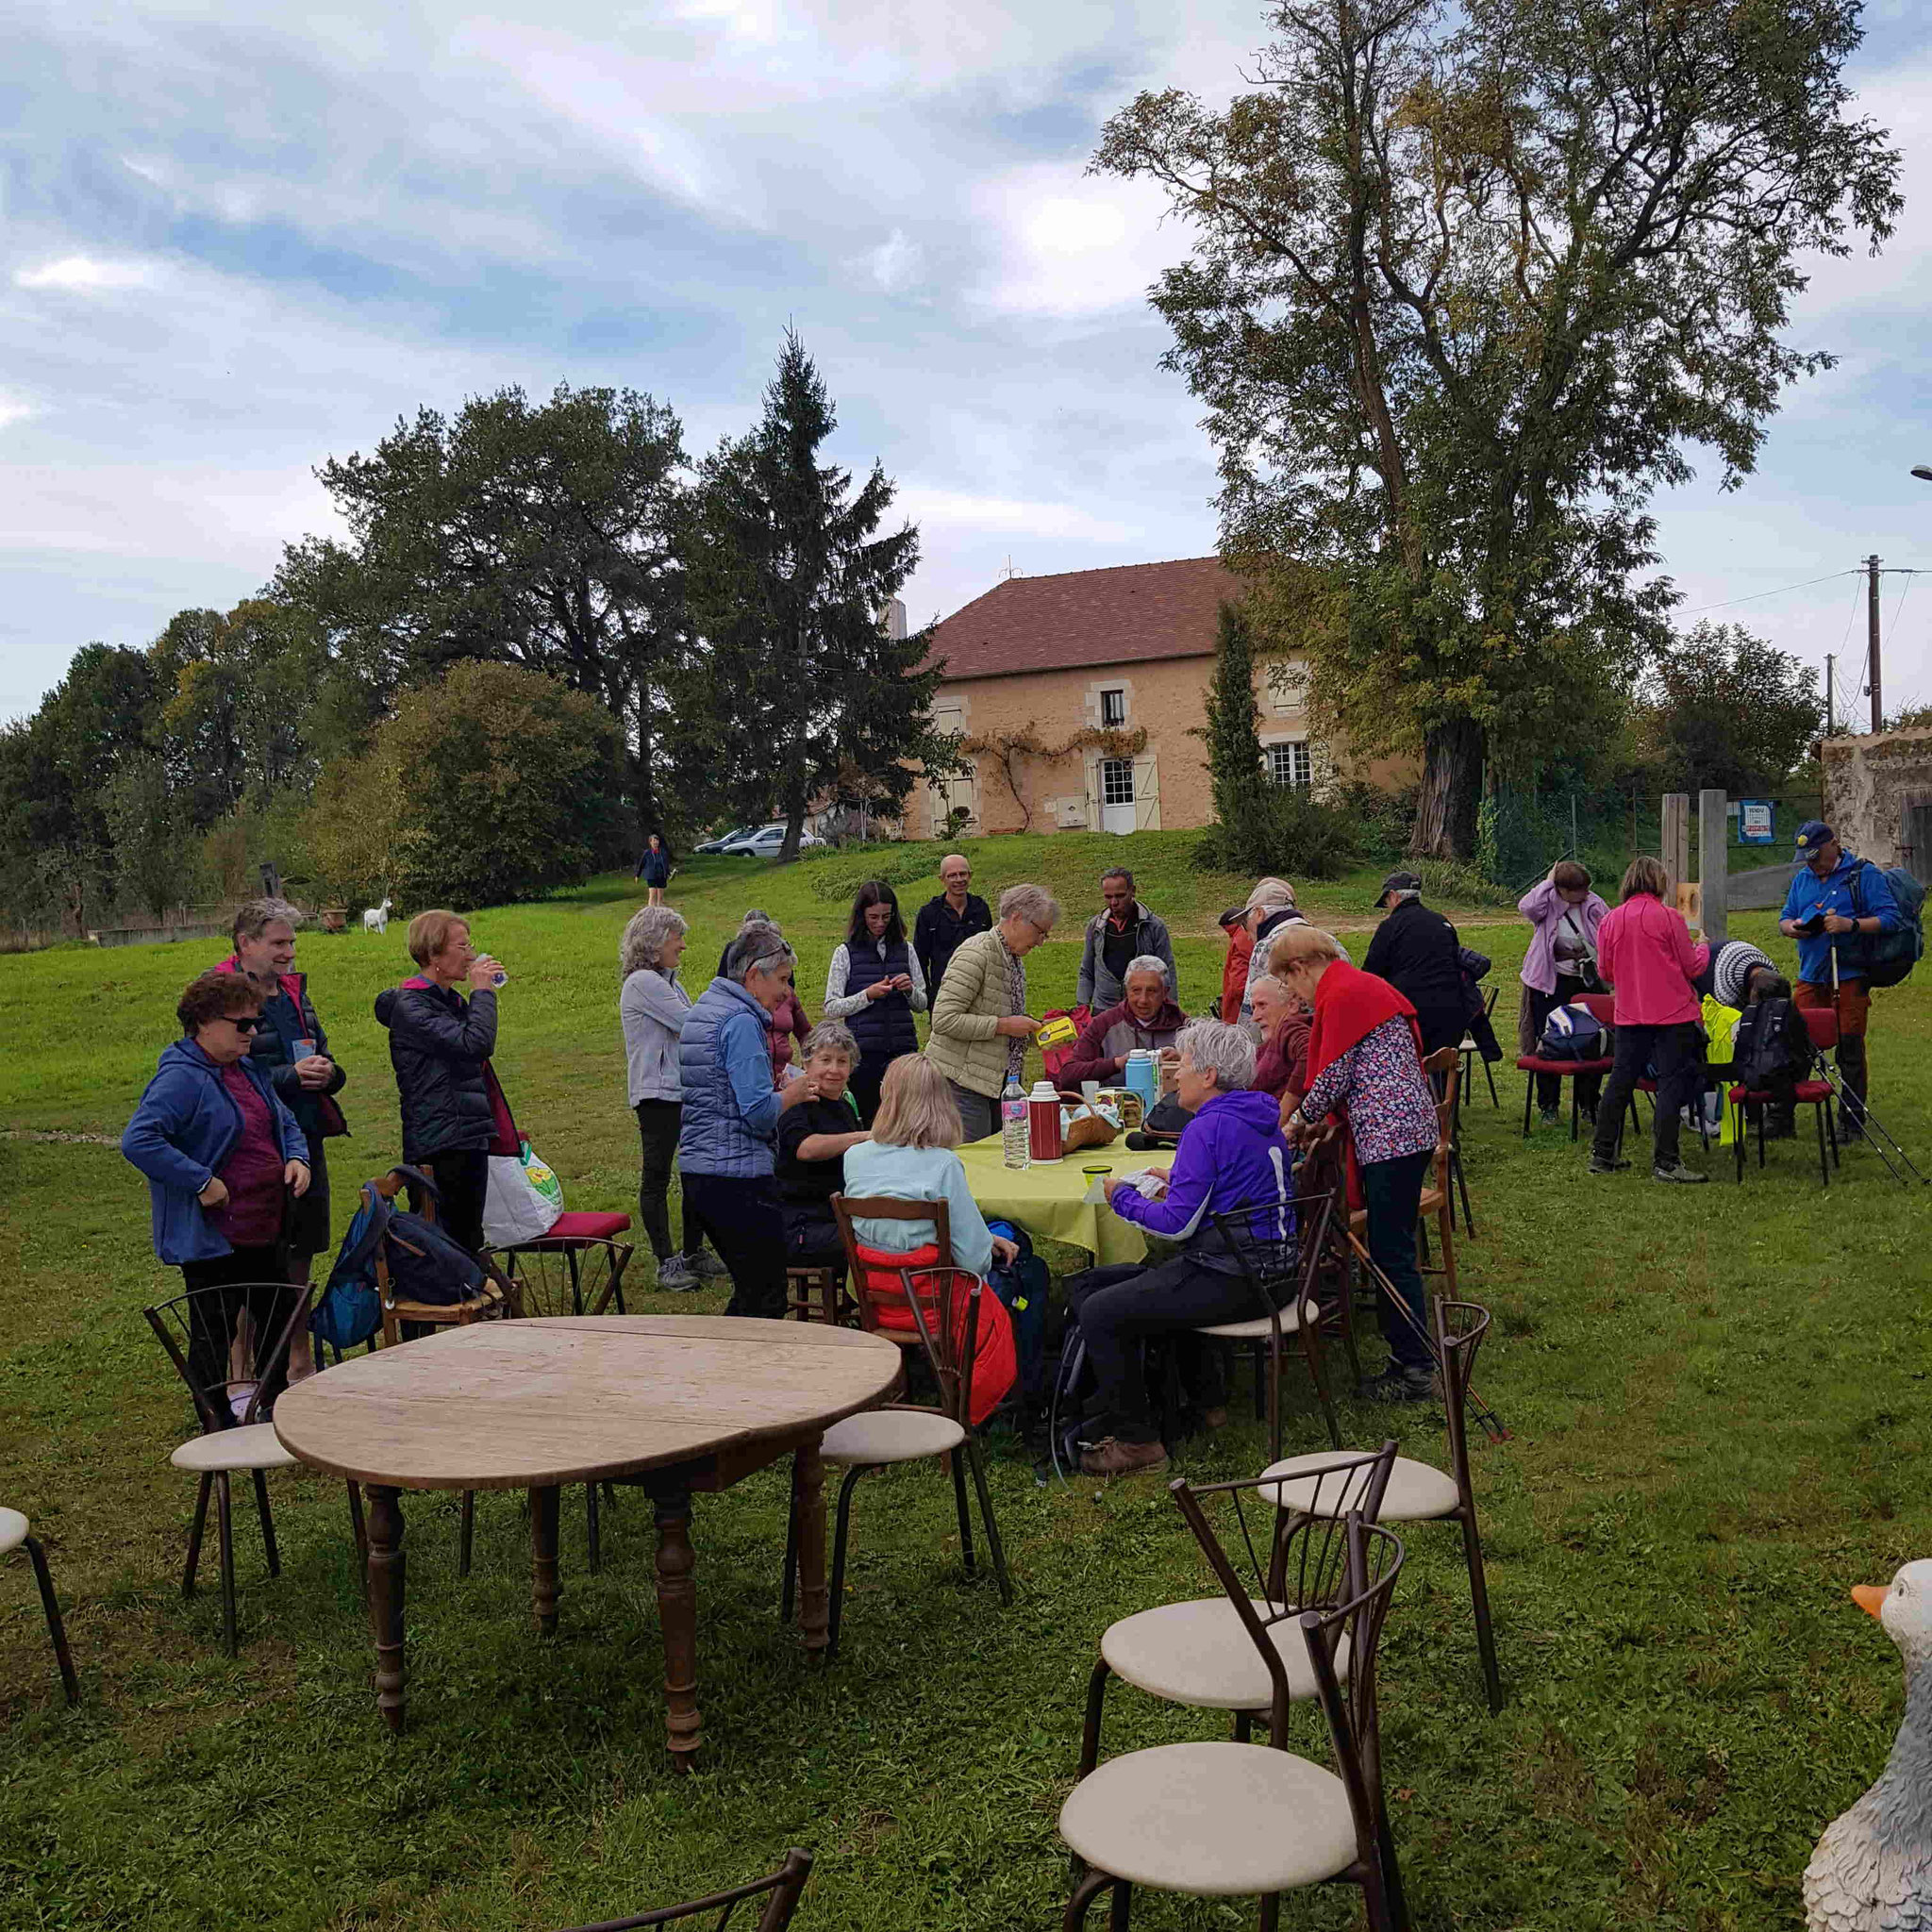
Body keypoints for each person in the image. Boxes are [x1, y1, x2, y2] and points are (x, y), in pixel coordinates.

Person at [1065, 1018, 1296, 1475]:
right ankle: (1208, 1403)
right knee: (1117, 1282)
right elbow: (1237, 1185)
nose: (1176, 1076)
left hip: (1237, 1278)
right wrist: (1181, 1179)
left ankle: (1138, 1442)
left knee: (1101, 1310)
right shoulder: (1257, 1116)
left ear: (1208, 1075)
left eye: (1184, 1065)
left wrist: (1122, 1197)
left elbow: (1175, 1226)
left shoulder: (1206, 1128)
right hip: (1278, 1272)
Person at [123, 971, 311, 1409]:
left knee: (278, 1320)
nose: (253, 1032)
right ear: (205, 1023)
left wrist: (297, 1157)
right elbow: (139, 1140)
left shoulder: (245, 1068)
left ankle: (273, 1409)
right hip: (215, 1236)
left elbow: (283, 1121)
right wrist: (201, 1181)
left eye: (256, 1022)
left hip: (263, 1223)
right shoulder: (181, 1078)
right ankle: (215, 1423)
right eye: (242, 1023)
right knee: (214, 1333)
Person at [1273, 923, 1440, 1404]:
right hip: (1407, 1128)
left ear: (1300, 968)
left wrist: (1298, 1122)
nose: (1295, 996)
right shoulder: (1361, 984)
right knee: (1394, 1246)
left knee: (1391, 1252)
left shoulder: (1342, 993)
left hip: (1391, 1135)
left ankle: (1414, 1367)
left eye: (1289, 983)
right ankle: (1409, 1358)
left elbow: (1331, 1075)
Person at [677, 923, 814, 1318]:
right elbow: (757, 1114)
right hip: (738, 1177)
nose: (787, 992)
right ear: (754, 976)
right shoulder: (741, 1022)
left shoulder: (706, 1009)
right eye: (783, 980)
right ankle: (737, 1360)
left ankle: (724, 1355)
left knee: (751, 1291)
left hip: (700, 1171)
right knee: (766, 1297)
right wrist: (793, 1093)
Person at [215, 897, 347, 1301]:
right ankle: (251, 1346)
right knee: (253, 1263)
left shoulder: (294, 992)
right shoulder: (219, 994)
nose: (289, 953)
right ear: (245, 942)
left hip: (306, 1137)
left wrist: (329, 1073)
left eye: (291, 943)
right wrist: (291, 1076)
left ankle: (296, 1342)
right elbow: (220, 1076)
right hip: (252, 1146)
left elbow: (324, 1055)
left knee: (302, 1248)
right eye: (278, 944)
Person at [374, 909, 509, 1251]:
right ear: (433, 954)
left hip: (466, 1132)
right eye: (461, 946)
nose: (470, 954)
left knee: (469, 1236)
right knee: (444, 1241)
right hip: (440, 1138)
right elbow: (475, 1044)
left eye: (470, 945)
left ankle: (472, 1283)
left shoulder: (447, 1001)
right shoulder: (412, 1007)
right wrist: (483, 993)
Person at [620, 904, 727, 1293]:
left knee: (696, 1171)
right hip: (657, 1094)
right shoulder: (643, 983)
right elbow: (691, 1024)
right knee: (658, 1177)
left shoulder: (668, 983)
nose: (682, 945)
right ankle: (667, 1262)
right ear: (653, 943)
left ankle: (693, 1252)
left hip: (680, 1091)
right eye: (676, 938)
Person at [1587, 856, 1707, 1184]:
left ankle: (1602, 1153)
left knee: (1620, 1081)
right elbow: (1692, 967)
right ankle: (1666, 1160)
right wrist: (1703, 947)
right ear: (1659, 883)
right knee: (1670, 1083)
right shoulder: (1669, 917)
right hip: (1673, 1013)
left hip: (1630, 1012)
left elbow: (1605, 972)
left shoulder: (1610, 920)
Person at [841, 1054, 1017, 1275]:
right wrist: (983, 1244)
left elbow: (892, 1230)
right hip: (933, 1288)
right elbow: (975, 1263)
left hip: (874, 1284)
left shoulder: (854, 1156)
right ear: (943, 1102)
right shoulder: (944, 1164)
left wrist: (986, 1239)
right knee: (1024, 1256)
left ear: (884, 1094)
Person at [1779, 820, 1900, 1141]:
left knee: (1849, 1048)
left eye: (1817, 856)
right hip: (1811, 975)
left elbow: (1891, 918)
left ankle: (1851, 1121)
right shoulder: (1803, 878)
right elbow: (1785, 917)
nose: (1812, 864)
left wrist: (1850, 925)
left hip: (1849, 975)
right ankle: (1781, 1116)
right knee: (1795, 1044)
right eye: (1807, 858)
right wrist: (1792, 928)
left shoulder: (1863, 875)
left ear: (1834, 844)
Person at [926, 883, 1058, 1141]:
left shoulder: (1012, 959)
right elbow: (943, 1020)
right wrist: (1005, 1025)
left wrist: (1036, 1032)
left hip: (999, 1084)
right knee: (972, 1159)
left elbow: (1000, 1016)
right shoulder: (975, 954)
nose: (1041, 942)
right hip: (960, 1084)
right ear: (1017, 918)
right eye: (1040, 932)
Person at [824, 880, 927, 1124]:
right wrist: (867, 996)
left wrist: (909, 990)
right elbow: (831, 1007)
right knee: (871, 1121)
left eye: (886, 916)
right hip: (864, 1054)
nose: (880, 923)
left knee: (906, 1120)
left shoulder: (906, 949)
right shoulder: (844, 953)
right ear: (861, 915)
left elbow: (922, 1004)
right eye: (873, 917)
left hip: (903, 1050)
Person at [1518, 860, 1611, 1127]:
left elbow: (1609, 930)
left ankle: (1589, 1102)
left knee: (1592, 1040)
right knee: (1548, 1042)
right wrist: (1548, 882)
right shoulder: (1546, 903)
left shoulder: (1594, 904)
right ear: (1562, 890)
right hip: (1552, 981)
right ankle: (1549, 1104)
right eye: (1578, 890)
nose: (1584, 894)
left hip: (1586, 981)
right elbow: (1526, 907)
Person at [775, 1022, 872, 1269]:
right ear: (807, 1064)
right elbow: (806, 1148)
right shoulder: (795, 1104)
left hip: (840, 1217)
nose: (834, 1069)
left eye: (842, 1061)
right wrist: (863, 1136)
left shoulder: (845, 1107)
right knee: (879, 1242)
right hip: (802, 1224)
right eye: (825, 1060)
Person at [1360, 870, 1466, 1057]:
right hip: (1452, 1017)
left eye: (1386, 902)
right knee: (1440, 1068)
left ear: (1393, 896)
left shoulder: (1390, 926)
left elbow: (1370, 975)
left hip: (1411, 1019)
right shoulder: (1442, 922)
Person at [1060, 957, 1186, 1088]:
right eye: (1136, 990)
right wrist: (1117, 1063)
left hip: (1173, 1100)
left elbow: (1202, 1072)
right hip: (1118, 1099)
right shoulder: (1104, 1023)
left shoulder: (1182, 1024)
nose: (1143, 1000)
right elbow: (1068, 1074)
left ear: (1165, 992)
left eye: (1152, 991)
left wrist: (1183, 1059)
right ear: (1126, 990)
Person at [1076, 867, 1177, 1011]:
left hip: (1141, 1009)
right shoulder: (1095, 927)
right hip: (1103, 1010)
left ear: (1133, 891)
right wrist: (1082, 1006)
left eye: (1120, 896)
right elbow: (1086, 971)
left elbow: (1167, 972)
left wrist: (1171, 1010)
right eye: (1108, 897)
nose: (1114, 903)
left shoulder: (1154, 926)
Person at [912, 853, 992, 995]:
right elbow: (920, 959)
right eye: (952, 875)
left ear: (970, 875)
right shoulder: (929, 913)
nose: (959, 879)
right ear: (942, 879)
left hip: (978, 989)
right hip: (943, 991)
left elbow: (990, 951)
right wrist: (927, 994)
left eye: (963, 874)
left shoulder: (981, 909)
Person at [1248, 971, 1311, 1119]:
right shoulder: (1276, 1040)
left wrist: (1285, 1112)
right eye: (1253, 1008)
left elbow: (1310, 1053)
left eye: (1262, 1005)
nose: (1255, 1017)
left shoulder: (1290, 1028)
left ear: (1292, 1006)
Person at [1218, 906, 1253, 1023]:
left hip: (1238, 1010)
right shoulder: (1245, 934)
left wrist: (1245, 1005)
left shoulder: (1240, 939)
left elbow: (1238, 982)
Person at [634, 831, 673, 908]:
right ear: (650, 842)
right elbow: (641, 864)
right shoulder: (647, 853)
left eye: (657, 840)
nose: (656, 842)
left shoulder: (663, 852)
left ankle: (660, 911)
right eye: (654, 841)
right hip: (651, 876)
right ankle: (650, 911)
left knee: (660, 897)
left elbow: (666, 864)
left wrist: (669, 873)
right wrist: (637, 875)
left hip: (661, 875)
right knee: (652, 894)